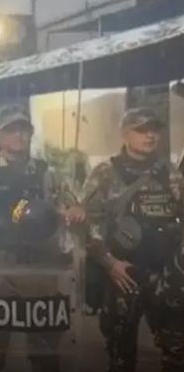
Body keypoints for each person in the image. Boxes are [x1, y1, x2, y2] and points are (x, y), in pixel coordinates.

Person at [0, 105, 85, 372]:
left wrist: (75, 211)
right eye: (10, 129)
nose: (18, 135)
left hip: (41, 271)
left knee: (45, 351)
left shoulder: (48, 173)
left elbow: (75, 206)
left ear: (31, 133)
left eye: (23, 129)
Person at [81, 107, 184, 372]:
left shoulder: (170, 172)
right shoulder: (105, 173)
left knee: (177, 352)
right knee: (121, 355)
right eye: (141, 130)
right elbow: (87, 224)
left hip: (165, 277)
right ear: (125, 133)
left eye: (154, 130)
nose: (150, 136)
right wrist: (110, 263)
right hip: (123, 275)